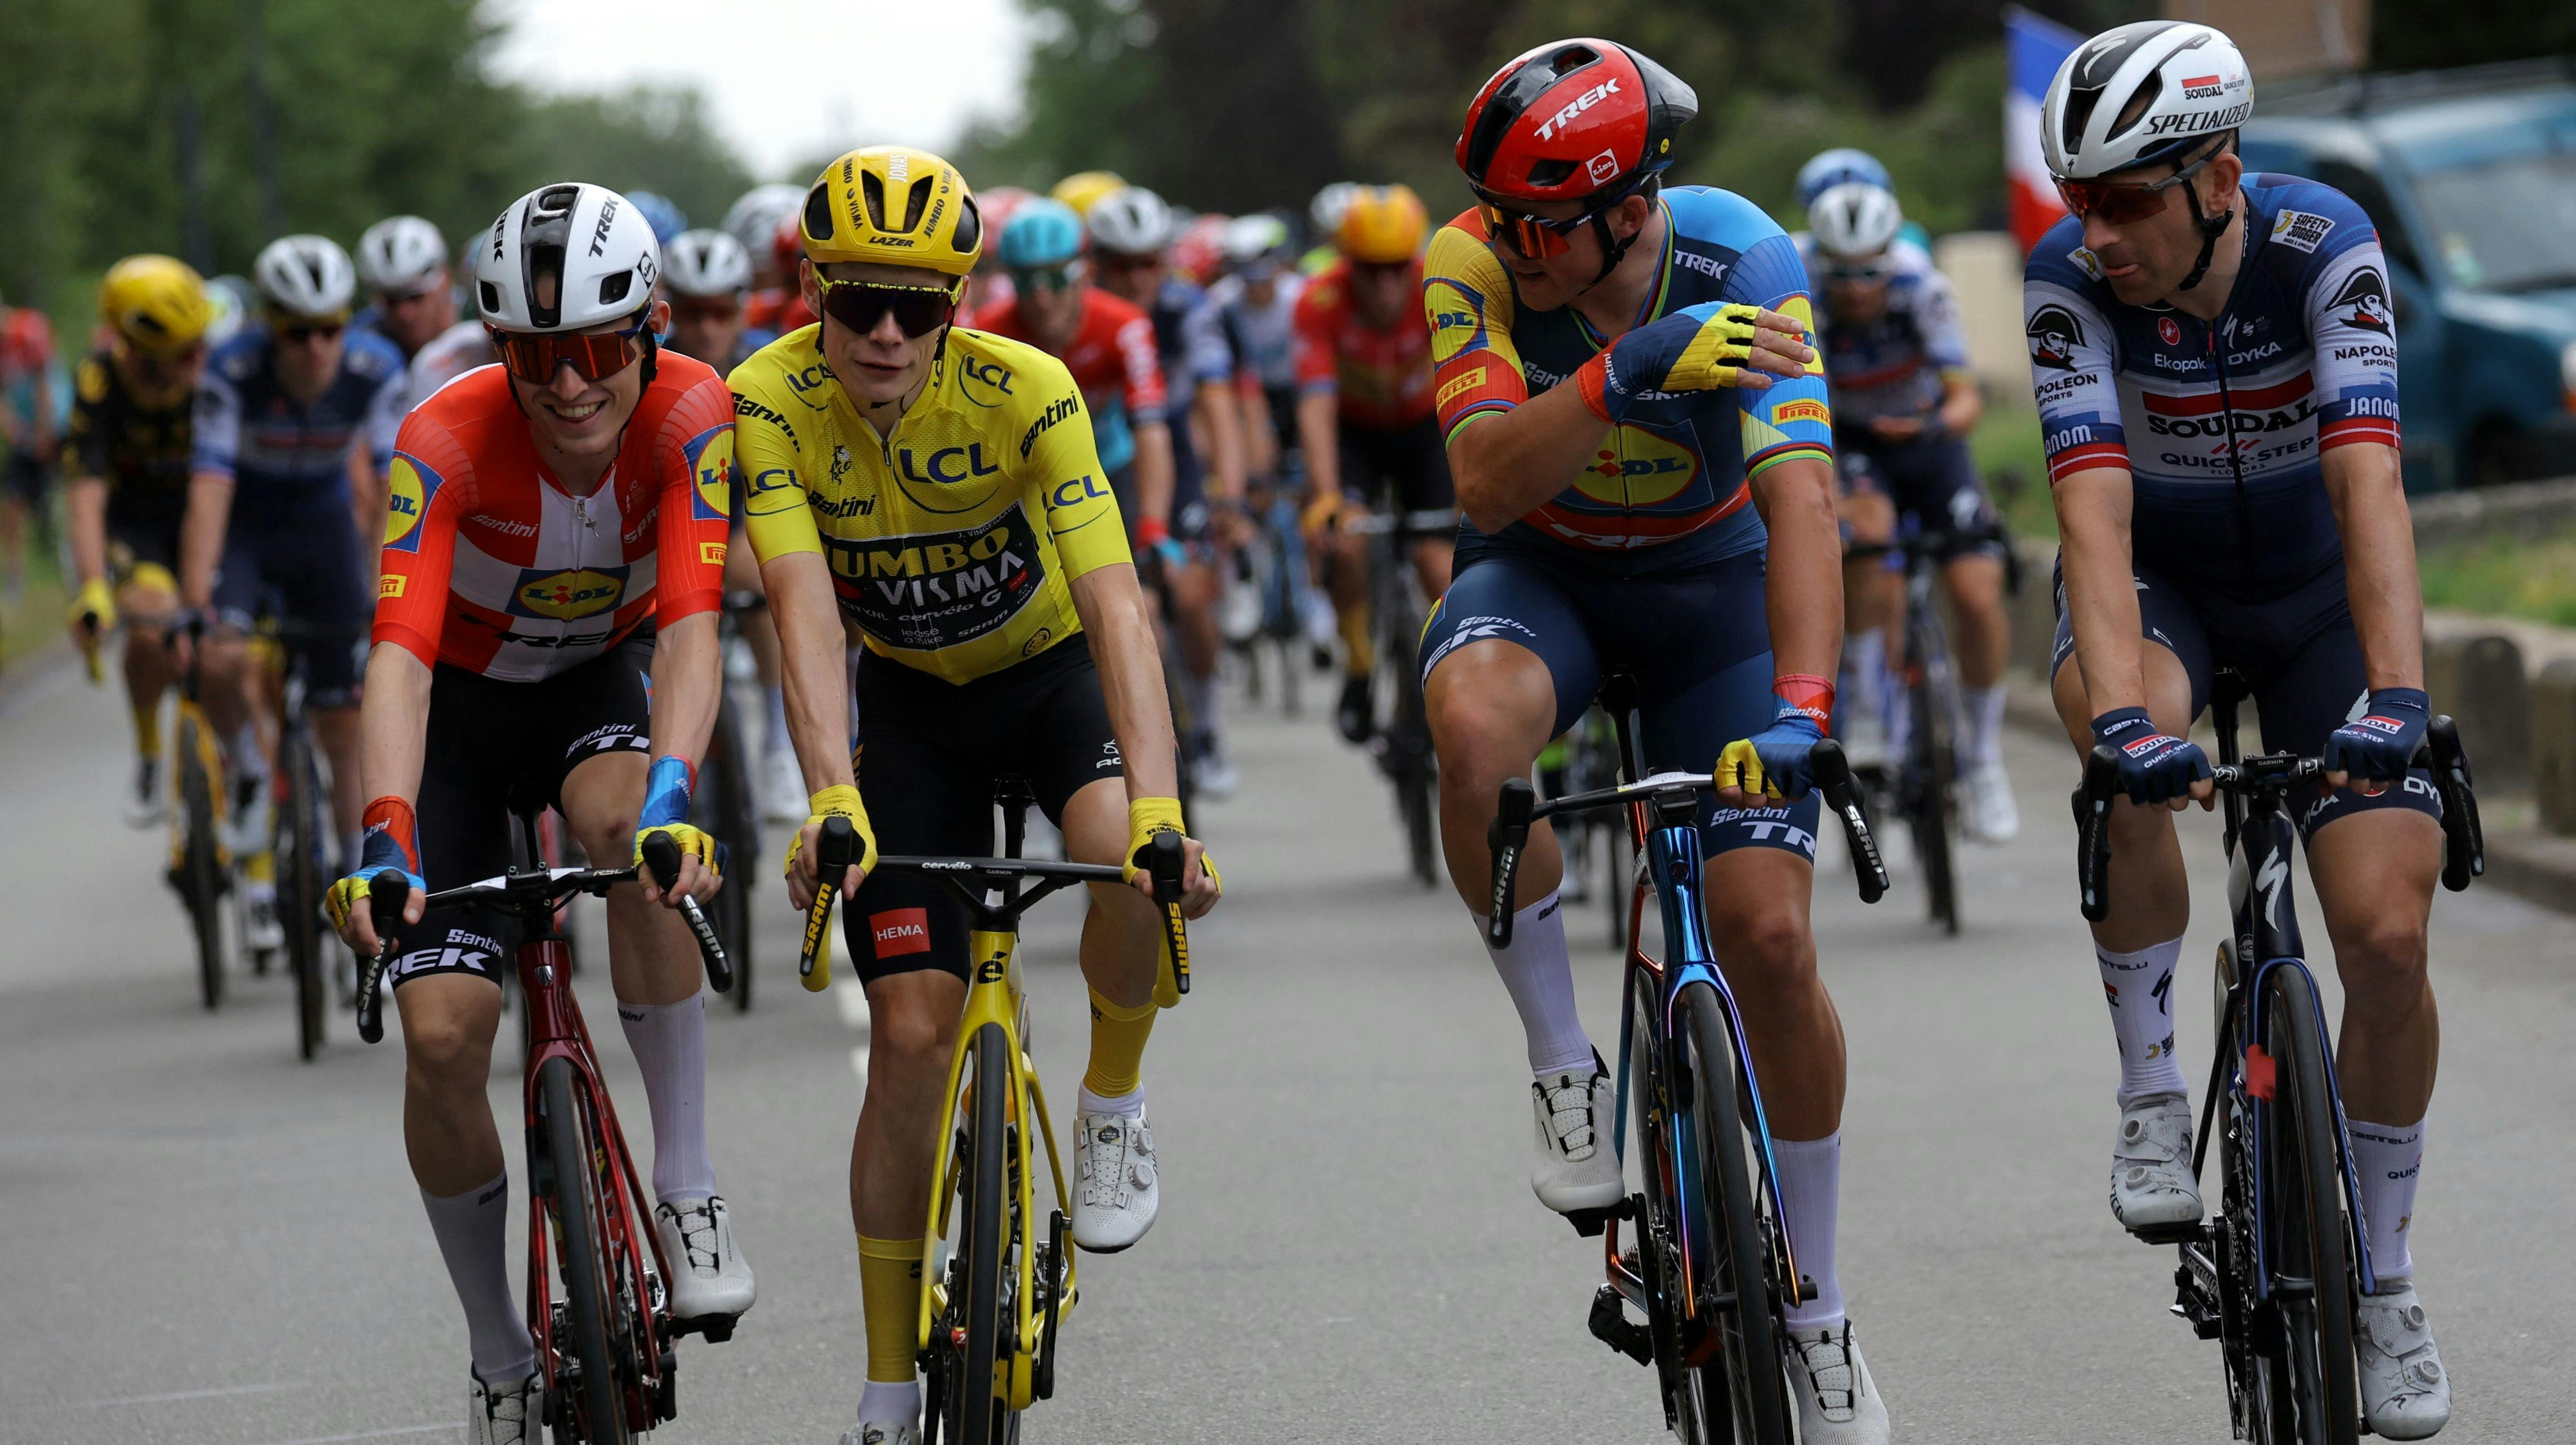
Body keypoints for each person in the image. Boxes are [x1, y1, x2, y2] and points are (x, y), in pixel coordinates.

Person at [1420, 39, 1890, 1439]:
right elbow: (1486, 483)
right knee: (1469, 727)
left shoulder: (1746, 255)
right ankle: (1564, 1054)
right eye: (1502, 216)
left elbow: (1802, 497)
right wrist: (1629, 368)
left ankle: (1814, 1304)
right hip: (1545, 578)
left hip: (1713, 598)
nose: (1512, 243)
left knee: (1772, 937)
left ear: (1630, 207)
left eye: (1539, 220)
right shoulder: (1474, 265)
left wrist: (1804, 713)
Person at [728, 145, 1219, 1445]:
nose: (886, 334)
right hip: (910, 713)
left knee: (1124, 853)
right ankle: (890, 1388)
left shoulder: (1028, 390)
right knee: (907, 1039)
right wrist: (831, 797)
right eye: (857, 304)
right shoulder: (768, 399)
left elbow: (1116, 602)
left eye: (920, 306)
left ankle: (1112, 1098)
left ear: (959, 305)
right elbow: (802, 612)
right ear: (812, 291)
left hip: (1047, 677)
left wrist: (1165, 806)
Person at [2031, 21, 2449, 1438]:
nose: (2096, 235)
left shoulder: (2322, 243)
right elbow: (2090, 519)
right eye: (2076, 201)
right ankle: (2153, 1087)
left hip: (2321, 598)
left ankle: (2383, 1278)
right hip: (2165, 589)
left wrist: (2397, 696)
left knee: (2385, 934)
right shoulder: (2066, 290)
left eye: (2126, 200)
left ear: (2218, 177)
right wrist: (2128, 738)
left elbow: (2369, 485)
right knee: (2123, 726)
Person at [324, 181, 754, 1445]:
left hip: (590, 694)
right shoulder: (445, 436)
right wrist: (386, 828)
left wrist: (679, 789)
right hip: (454, 716)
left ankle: (687, 1183)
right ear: (496, 348)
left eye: (596, 350)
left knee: (635, 825)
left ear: (653, 333)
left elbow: (689, 625)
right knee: (446, 1036)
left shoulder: (693, 412)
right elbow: (397, 654)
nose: (567, 386)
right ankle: (499, 1351)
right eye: (531, 354)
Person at [185, 234, 406, 954]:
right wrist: (196, 601)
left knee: (344, 718)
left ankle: (356, 878)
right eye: (297, 331)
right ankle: (250, 770)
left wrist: (381, 591)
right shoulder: (233, 369)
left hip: (322, 532)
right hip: (248, 529)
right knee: (219, 657)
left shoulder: (376, 369)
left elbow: (388, 491)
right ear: (268, 328)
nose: (316, 347)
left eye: (330, 328)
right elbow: (211, 489)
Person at [1799, 179, 2018, 840]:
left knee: (1978, 594)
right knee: (1866, 537)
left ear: (1891, 257)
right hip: (1852, 442)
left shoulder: (1923, 289)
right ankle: (1865, 708)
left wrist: (1930, 425)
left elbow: (1966, 399)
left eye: (1871, 269)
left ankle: (1982, 754)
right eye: (1843, 272)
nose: (1858, 286)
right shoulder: (1802, 295)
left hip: (1927, 439)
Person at [1087, 185, 1238, 797]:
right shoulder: (1082, 311)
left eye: (1149, 261)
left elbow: (1219, 402)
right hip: (1097, 455)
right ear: (1097, 263)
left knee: (1191, 593)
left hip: (1169, 449)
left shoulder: (1188, 307)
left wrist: (1227, 493)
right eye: (1120, 265)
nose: (1137, 277)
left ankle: (1206, 724)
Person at [1290, 183, 1453, 744]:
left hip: (1423, 429)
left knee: (1438, 561)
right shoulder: (1320, 301)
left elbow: (1470, 382)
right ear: (1346, 264)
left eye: (1395, 269)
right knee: (1348, 542)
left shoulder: (1438, 286)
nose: (1385, 283)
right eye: (1369, 269)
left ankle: (1455, 674)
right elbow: (1315, 401)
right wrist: (1327, 496)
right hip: (1354, 433)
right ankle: (1358, 663)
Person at [63, 256, 214, 823]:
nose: (200, 362)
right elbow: (85, 493)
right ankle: (151, 750)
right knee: (150, 622)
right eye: (183, 354)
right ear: (138, 353)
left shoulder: (216, 372)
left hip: (207, 515)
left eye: (202, 345)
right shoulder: (100, 383)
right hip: (136, 528)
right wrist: (94, 586)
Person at [663, 225, 801, 819]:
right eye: (692, 312)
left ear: (743, 306)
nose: (707, 328)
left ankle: (778, 735)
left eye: (721, 311)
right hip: (665, 518)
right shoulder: (647, 365)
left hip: (743, 512)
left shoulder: (769, 365)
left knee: (766, 567)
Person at [1, 291, 65, 602]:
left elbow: (44, 388)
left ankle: (79, 568)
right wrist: (12, 428)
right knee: (11, 502)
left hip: (57, 428)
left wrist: (44, 436)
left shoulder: (29, 328)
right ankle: (16, 573)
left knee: (69, 498)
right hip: (27, 436)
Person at [352, 215, 459, 362]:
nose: (404, 314)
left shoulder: (482, 324)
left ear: (445, 281)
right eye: (392, 301)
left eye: (415, 297)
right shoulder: (360, 335)